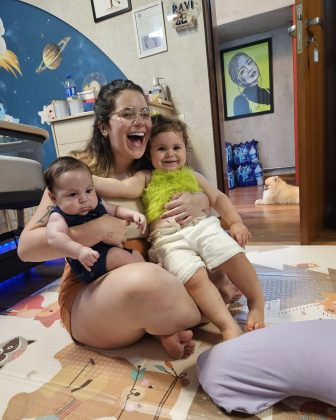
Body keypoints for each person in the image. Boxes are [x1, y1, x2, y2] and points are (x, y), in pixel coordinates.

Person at [18, 79, 224, 360]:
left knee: (223, 260)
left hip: (158, 274)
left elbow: (205, 194)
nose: (140, 122)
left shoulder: (155, 163)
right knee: (148, 281)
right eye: (127, 114)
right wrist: (99, 227)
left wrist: (201, 200)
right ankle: (177, 315)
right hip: (93, 295)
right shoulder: (78, 175)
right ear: (103, 126)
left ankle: (163, 322)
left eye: (144, 114)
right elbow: (27, 249)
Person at [93, 114, 265, 339]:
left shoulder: (193, 175)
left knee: (232, 256)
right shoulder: (146, 177)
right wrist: (85, 180)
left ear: (185, 149)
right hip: (167, 241)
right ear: (149, 152)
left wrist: (235, 222)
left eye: (177, 147)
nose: (170, 154)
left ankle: (256, 301)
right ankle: (226, 325)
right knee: (193, 280)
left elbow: (219, 198)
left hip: (203, 227)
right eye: (161, 148)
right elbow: (120, 188)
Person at [44, 156, 146, 284]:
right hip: (89, 261)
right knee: (121, 257)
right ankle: (143, 280)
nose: (84, 199)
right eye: (73, 194)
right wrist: (79, 251)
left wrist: (132, 215)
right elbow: (54, 237)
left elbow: (115, 209)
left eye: (88, 190)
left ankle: (150, 275)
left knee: (135, 254)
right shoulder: (58, 216)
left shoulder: (96, 201)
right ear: (54, 198)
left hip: (112, 251)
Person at [228, 52, 271, 117]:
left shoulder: (269, 91)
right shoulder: (240, 101)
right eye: (242, 71)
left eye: (249, 62)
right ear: (238, 81)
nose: (249, 69)